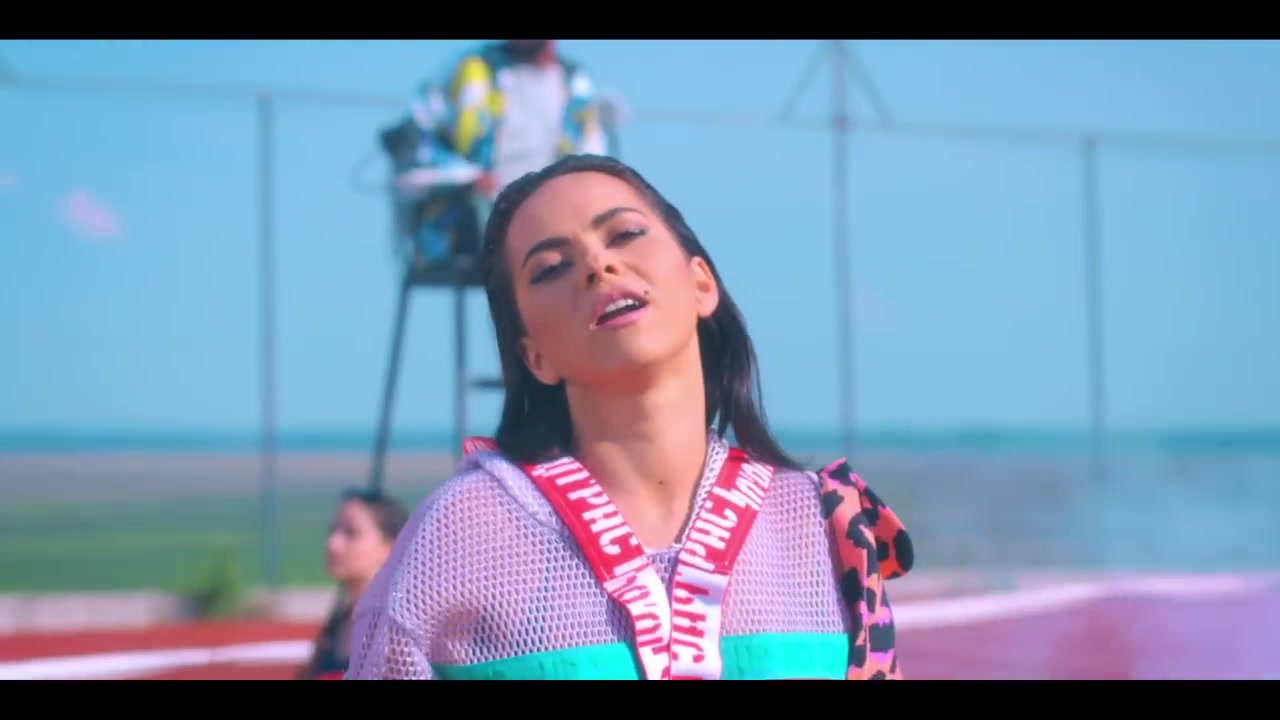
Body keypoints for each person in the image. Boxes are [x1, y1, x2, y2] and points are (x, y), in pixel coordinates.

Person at [344, 154, 914, 681]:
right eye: (550, 268)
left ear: (701, 283)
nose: (599, 264)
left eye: (624, 234)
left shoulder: (823, 526)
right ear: (534, 357)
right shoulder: (457, 537)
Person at [383, 40, 615, 267]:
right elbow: (410, 141)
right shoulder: (472, 71)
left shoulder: (577, 83)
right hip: (468, 227)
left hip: (554, 225)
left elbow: (593, 162)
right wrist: (467, 176)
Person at [297, 488, 410, 680]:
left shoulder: (400, 629)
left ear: (391, 546)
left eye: (351, 533)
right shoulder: (337, 624)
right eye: (333, 531)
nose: (332, 544)